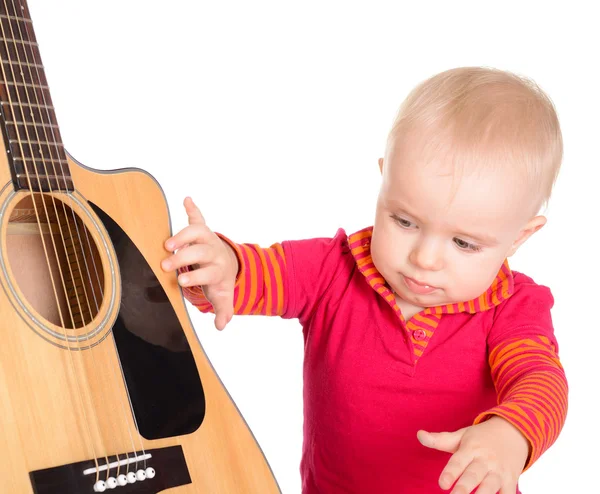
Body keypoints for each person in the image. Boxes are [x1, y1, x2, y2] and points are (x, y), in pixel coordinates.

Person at [160, 66, 568, 494]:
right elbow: (257, 273)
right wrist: (222, 268)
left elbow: (540, 380)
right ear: (384, 179)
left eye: (464, 244)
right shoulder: (333, 269)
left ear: (518, 237)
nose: (424, 259)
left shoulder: (513, 306)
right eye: (405, 220)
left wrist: (511, 434)